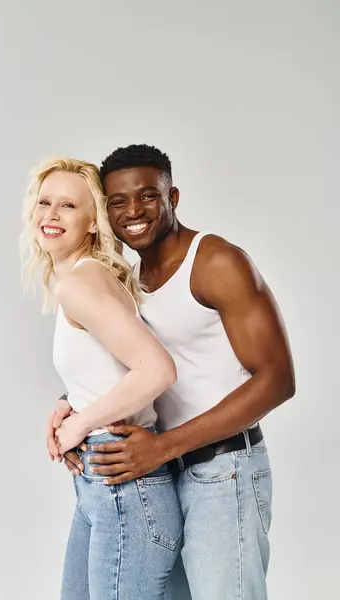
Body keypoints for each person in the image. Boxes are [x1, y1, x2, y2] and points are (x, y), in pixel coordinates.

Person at [63, 145, 296, 600]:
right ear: (104, 212)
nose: (134, 211)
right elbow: (127, 363)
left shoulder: (215, 261)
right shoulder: (129, 276)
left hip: (223, 472)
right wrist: (67, 407)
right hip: (161, 475)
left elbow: (276, 379)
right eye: (117, 201)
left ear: (173, 196)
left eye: (149, 196)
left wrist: (163, 447)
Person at [21, 156, 183, 600]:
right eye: (45, 202)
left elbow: (157, 369)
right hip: (104, 484)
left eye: (69, 206)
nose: (51, 215)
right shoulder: (80, 276)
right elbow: (112, 368)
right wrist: (69, 401)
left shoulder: (80, 283)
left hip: (123, 485)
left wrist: (79, 423)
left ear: (94, 221)